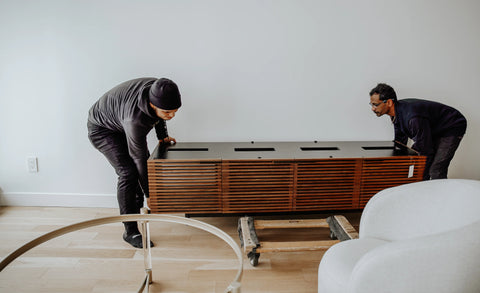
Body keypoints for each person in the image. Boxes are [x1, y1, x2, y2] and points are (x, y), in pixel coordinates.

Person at [87, 77, 181, 248]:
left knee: (143, 165)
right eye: (167, 113)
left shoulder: (159, 87)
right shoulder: (135, 120)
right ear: (152, 105)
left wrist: (163, 137)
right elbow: (140, 160)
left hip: (119, 122)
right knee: (128, 173)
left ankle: (137, 209)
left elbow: (159, 117)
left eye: (175, 111)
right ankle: (130, 232)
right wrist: (150, 195)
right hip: (102, 131)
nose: (172, 115)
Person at [369, 83, 466, 180]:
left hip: (452, 125)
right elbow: (399, 142)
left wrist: (420, 179)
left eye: (375, 105)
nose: (373, 108)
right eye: (371, 104)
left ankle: (437, 193)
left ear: (389, 103)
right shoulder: (396, 113)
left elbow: (425, 150)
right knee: (423, 158)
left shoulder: (413, 118)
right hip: (434, 127)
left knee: (436, 168)